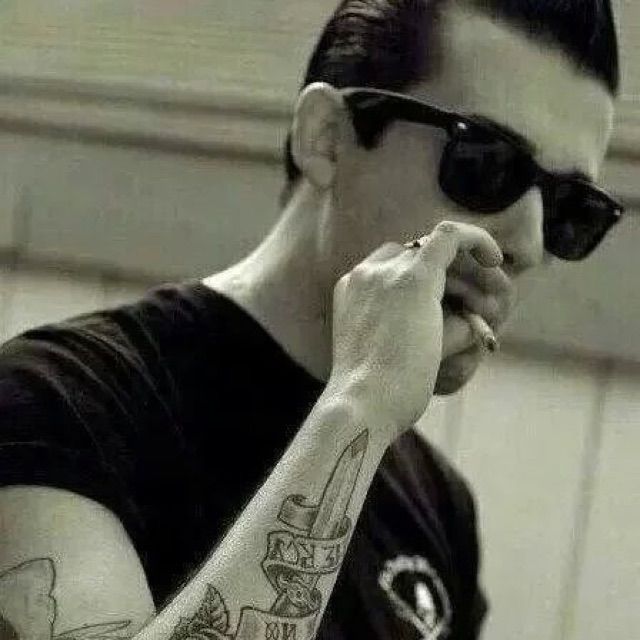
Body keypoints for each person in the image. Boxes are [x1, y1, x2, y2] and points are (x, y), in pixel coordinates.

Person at [0, 1, 623, 639]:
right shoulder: (58, 401)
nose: (527, 244)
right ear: (326, 136)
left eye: (571, 208)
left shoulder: (438, 505)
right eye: (487, 163)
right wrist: (361, 405)